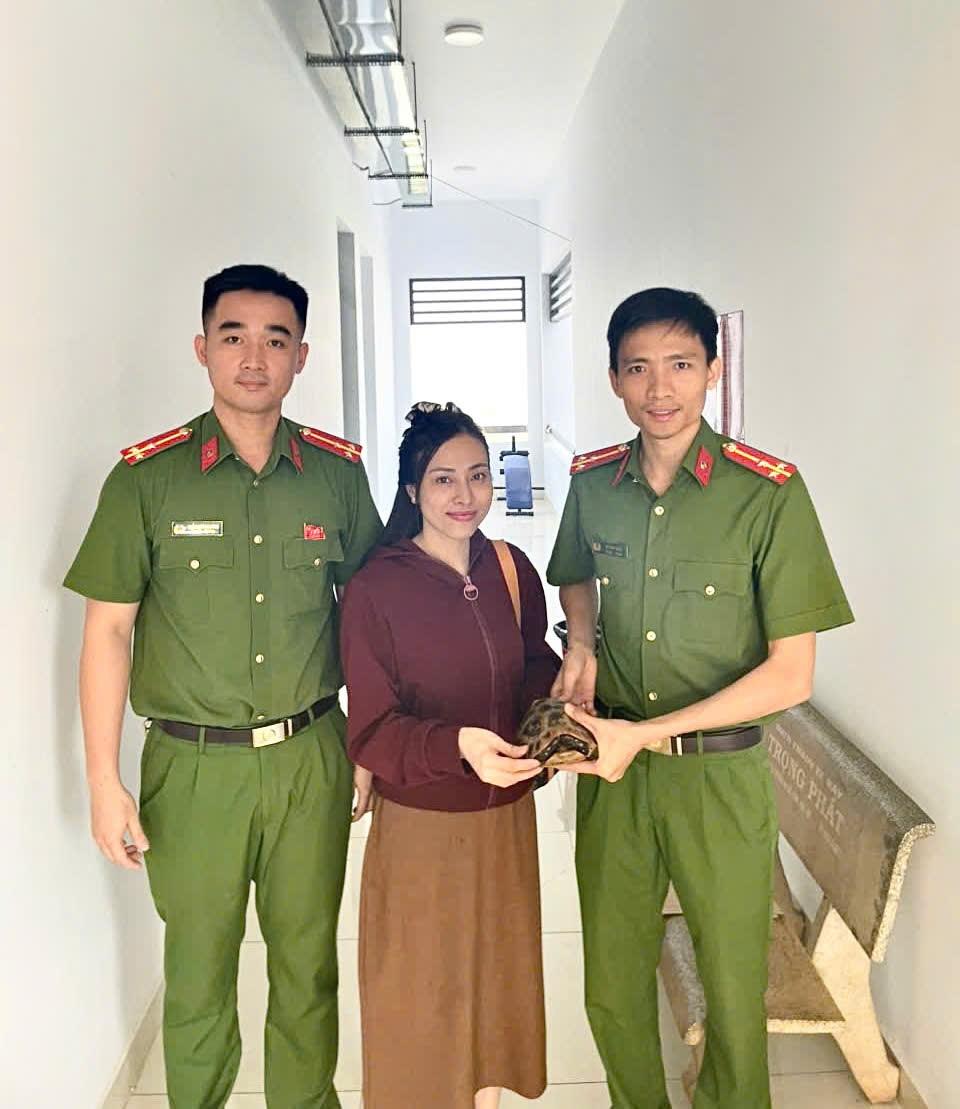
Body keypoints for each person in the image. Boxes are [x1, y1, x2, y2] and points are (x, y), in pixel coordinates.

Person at [63, 264, 383, 1108]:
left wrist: (369, 742)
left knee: (307, 967)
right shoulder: (147, 479)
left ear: (301, 356)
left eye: (276, 339)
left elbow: (370, 619)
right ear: (202, 348)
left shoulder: (336, 476)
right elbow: (108, 631)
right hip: (193, 768)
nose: (253, 357)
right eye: (233, 336)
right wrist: (103, 779)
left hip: (311, 754)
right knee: (198, 973)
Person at [546, 287, 854, 1108]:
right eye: (639, 367)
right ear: (614, 378)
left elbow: (791, 675)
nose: (661, 388)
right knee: (612, 984)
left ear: (713, 370)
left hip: (719, 779)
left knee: (733, 991)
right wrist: (581, 642)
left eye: (681, 364)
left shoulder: (768, 493)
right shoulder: (593, 484)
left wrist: (647, 734)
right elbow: (574, 572)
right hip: (614, 778)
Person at [339, 402, 560, 1109]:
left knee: (496, 992)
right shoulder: (377, 589)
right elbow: (373, 731)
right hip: (423, 830)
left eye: (478, 476)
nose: (465, 495)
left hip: (505, 824)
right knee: (421, 1002)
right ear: (412, 491)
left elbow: (534, 666)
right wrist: (457, 746)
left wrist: (556, 719)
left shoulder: (510, 568)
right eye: (443, 479)